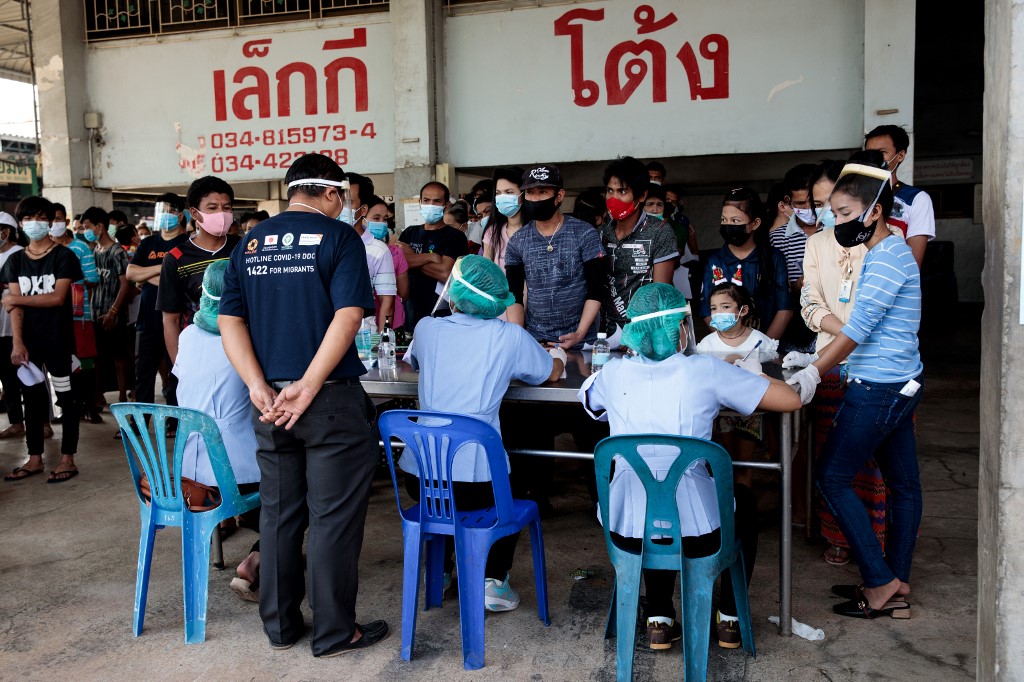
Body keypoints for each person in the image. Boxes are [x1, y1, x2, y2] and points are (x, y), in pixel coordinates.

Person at [219, 153, 388, 656]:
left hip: (268, 401)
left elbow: (230, 320)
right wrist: (311, 384)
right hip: (328, 400)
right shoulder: (340, 239)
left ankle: (280, 625)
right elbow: (350, 314)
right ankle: (337, 631)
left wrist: (256, 385)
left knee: (277, 515)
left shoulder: (249, 243)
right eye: (349, 198)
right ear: (333, 193)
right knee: (332, 518)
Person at [578, 283, 801, 650]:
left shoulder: (613, 373)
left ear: (635, 330)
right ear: (676, 329)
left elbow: (588, 400)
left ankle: (659, 617)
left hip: (624, 530)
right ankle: (729, 617)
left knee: (650, 509)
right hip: (701, 533)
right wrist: (756, 375)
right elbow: (790, 400)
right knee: (740, 502)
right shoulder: (706, 370)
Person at [787, 155, 922, 619]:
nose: (835, 222)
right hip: (897, 381)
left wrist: (812, 371)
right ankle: (896, 583)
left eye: (844, 214)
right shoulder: (889, 252)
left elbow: (856, 329)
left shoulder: (888, 256)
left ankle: (881, 580)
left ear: (875, 212)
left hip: (879, 386)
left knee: (832, 476)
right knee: (904, 485)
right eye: (833, 213)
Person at [403, 254, 565, 610]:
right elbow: (548, 373)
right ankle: (493, 579)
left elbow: (413, 361)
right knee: (519, 479)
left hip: (420, 476)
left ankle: (441, 571)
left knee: (443, 500)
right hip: (476, 485)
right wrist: (559, 356)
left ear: (455, 294)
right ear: (496, 301)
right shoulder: (509, 336)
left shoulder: (427, 328)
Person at [791, 158, 891, 566]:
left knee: (875, 462)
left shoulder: (885, 241)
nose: (826, 214)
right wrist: (846, 329)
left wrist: (852, 332)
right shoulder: (816, 243)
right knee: (830, 453)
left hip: (876, 366)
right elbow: (809, 303)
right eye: (820, 206)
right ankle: (837, 537)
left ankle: (878, 540)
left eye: (833, 205)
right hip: (830, 359)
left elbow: (885, 307)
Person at [172, 260, 262, 602]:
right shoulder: (250, 338)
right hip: (232, 472)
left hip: (185, 468)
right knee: (301, 484)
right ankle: (258, 559)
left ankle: (263, 549)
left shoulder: (188, 334)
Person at [1, 196, 84, 483]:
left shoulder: (63, 256)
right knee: (32, 400)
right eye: (27, 219)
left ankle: (67, 458)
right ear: (20, 224)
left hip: (59, 342)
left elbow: (58, 297)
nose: (32, 223)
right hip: (29, 345)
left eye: (39, 217)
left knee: (66, 398)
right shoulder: (15, 260)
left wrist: (15, 298)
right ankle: (34, 457)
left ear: (49, 221)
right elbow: (16, 308)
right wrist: (17, 342)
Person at [504, 164, 607, 349]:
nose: (535, 199)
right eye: (529, 193)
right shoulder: (517, 241)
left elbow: (596, 289)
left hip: (580, 342)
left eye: (542, 192)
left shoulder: (584, 233)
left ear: (559, 196)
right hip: (535, 342)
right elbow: (514, 295)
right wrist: (519, 338)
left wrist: (579, 334)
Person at [696, 281, 778, 487]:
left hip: (751, 412)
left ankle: (744, 505)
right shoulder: (706, 344)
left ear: (743, 310)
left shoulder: (761, 342)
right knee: (729, 461)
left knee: (744, 466)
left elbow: (773, 371)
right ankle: (732, 506)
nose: (718, 313)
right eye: (714, 309)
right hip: (722, 413)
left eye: (725, 307)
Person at [158, 176, 240, 365]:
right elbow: (171, 319)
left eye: (226, 208)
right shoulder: (176, 258)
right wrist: (180, 367)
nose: (221, 213)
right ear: (194, 213)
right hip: (200, 353)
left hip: (244, 349)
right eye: (212, 208)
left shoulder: (244, 249)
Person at [599, 156, 678, 342]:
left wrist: (643, 337)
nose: (613, 198)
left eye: (622, 191)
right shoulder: (600, 234)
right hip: (605, 334)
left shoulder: (660, 232)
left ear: (642, 195)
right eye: (610, 191)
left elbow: (661, 292)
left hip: (645, 334)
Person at [702, 187, 792, 340]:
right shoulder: (714, 260)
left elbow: (785, 309)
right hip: (727, 347)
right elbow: (706, 311)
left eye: (735, 221)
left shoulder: (774, 258)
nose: (728, 225)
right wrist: (729, 342)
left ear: (755, 223)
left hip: (767, 347)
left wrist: (763, 347)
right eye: (724, 220)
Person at [127, 193, 187, 408]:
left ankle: (174, 420)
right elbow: (131, 273)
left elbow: (183, 278)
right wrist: (164, 270)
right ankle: (140, 422)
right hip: (147, 321)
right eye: (159, 211)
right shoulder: (148, 244)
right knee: (143, 374)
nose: (162, 216)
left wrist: (146, 275)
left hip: (178, 320)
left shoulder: (187, 243)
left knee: (176, 372)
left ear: (180, 216)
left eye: (168, 211)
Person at [770, 163, 829, 354]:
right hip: (795, 325)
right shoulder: (777, 238)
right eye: (800, 203)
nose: (808, 208)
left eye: (812, 202)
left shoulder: (835, 229)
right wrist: (794, 285)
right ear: (788, 201)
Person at [398, 181, 469, 328]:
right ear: (420, 203)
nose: (430, 205)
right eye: (426, 200)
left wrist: (410, 258)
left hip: (441, 316)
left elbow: (445, 273)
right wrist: (429, 257)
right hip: (408, 313)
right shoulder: (409, 232)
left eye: (437, 201)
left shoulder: (455, 237)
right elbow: (397, 263)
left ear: (446, 205)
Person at [54, 213, 102, 422]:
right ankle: (69, 407)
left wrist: (69, 284)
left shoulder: (80, 248)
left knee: (85, 361)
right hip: (54, 317)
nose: (53, 224)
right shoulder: (42, 252)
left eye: (56, 218)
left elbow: (92, 279)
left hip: (78, 315)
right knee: (62, 363)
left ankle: (90, 406)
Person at [864, 124, 934, 267]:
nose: (874, 159)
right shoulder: (854, 196)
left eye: (882, 152)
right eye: (869, 153)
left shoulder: (917, 199)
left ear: (900, 155)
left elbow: (912, 264)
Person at [88, 207, 134, 405]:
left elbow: (126, 284)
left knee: (119, 358)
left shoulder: (117, 252)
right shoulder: (94, 251)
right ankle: (99, 395)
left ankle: (123, 396)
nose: (85, 231)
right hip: (95, 312)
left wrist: (113, 312)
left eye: (87, 226)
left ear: (100, 226)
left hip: (113, 313)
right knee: (97, 357)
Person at [345, 175, 397, 332]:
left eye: (349, 202)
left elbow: (386, 302)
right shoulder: (322, 242)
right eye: (339, 201)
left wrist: (382, 343)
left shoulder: (379, 250)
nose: (342, 207)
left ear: (363, 209)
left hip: (362, 337)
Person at [365, 195, 409, 333]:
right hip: (363, 326)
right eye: (376, 218)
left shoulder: (395, 252)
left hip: (391, 323)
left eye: (385, 219)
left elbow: (404, 293)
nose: (382, 223)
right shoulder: (350, 250)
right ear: (361, 216)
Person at [0, 211, 25, 439]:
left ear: (6, 232)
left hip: (14, 326)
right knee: (6, 377)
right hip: (0, 326)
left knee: (25, 374)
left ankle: (42, 421)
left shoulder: (18, 254)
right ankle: (16, 421)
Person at [482, 166, 526, 272]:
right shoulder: (492, 231)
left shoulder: (536, 230)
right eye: (498, 193)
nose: (502, 197)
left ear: (524, 193)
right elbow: (486, 270)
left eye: (509, 192)